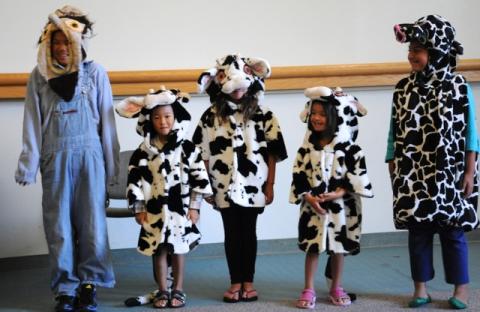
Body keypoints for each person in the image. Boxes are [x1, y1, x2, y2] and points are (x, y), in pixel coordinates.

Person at [14, 5, 119, 312]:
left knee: (92, 224)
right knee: (58, 225)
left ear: (78, 42)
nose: (60, 47)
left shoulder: (96, 73)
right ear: (47, 44)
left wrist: (111, 166)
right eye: (54, 41)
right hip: (54, 158)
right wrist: (28, 164)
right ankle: (65, 288)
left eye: (66, 41)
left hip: (90, 157)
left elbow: (107, 123)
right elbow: (32, 123)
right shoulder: (38, 77)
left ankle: (89, 283)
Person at [388, 15, 479, 309]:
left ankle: (461, 289)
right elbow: (394, 130)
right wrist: (392, 162)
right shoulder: (403, 88)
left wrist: (469, 169)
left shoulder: (457, 86)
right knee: (418, 230)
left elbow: (471, 132)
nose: (412, 55)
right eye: (410, 49)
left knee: (452, 231)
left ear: (438, 50)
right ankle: (421, 288)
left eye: (419, 49)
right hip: (412, 171)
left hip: (449, 171)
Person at [193, 54, 288, 303]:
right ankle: (235, 281)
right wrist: (207, 188)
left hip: (254, 184)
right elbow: (201, 153)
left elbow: (274, 153)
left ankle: (249, 281)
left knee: (249, 232)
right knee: (231, 233)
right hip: (221, 185)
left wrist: (270, 185)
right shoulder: (211, 115)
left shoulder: (264, 114)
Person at [115, 87, 213, 308]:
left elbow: (200, 178)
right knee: (158, 249)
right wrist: (139, 208)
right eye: (157, 117)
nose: (163, 122)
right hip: (154, 211)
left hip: (181, 210)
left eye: (168, 116)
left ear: (175, 117)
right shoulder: (142, 152)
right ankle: (162, 290)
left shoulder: (188, 148)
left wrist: (195, 207)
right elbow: (135, 182)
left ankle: (178, 289)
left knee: (179, 249)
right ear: (150, 120)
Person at [290, 86, 373, 308]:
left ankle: (337, 286)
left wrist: (340, 192)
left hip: (341, 208)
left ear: (335, 117)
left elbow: (357, 175)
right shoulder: (306, 149)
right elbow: (298, 173)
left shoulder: (350, 149)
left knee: (339, 247)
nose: (316, 118)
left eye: (322, 114)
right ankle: (308, 288)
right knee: (312, 247)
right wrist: (308, 197)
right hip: (313, 206)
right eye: (313, 113)